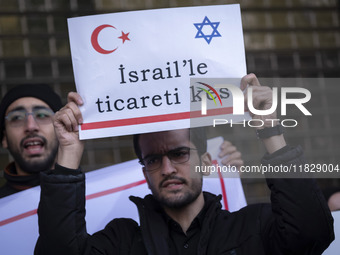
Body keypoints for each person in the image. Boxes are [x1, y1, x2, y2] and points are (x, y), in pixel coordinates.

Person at [35, 74, 334, 254]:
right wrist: (69, 153)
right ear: (144, 170)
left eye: (179, 154)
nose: (167, 169)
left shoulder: (251, 228)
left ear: (205, 161)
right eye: (153, 159)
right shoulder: (121, 242)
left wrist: (270, 130)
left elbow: (312, 233)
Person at [0, 84, 62, 198]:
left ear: (61, 130)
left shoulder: (93, 195)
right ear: (4, 139)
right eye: (16, 117)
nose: (31, 126)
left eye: (42, 115)